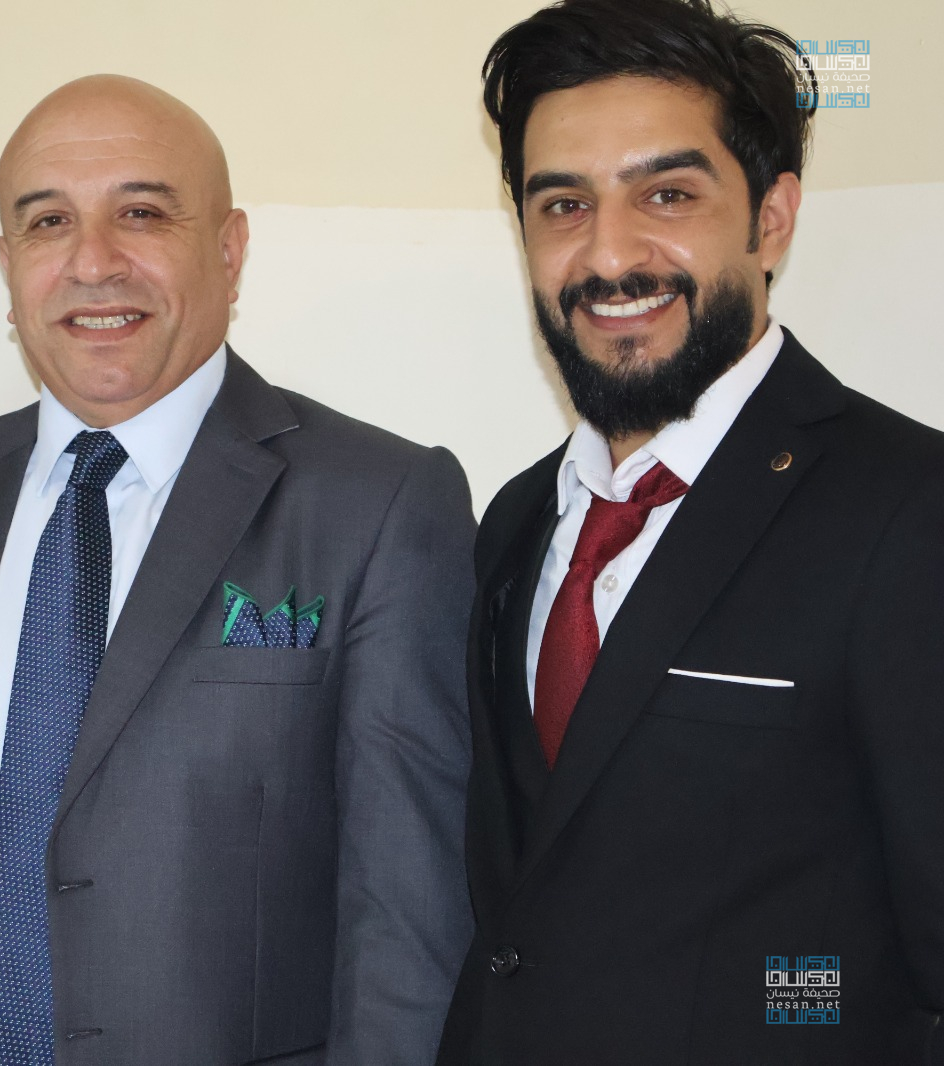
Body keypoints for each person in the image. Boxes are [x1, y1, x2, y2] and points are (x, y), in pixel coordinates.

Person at [0, 74, 475, 1066]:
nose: (92, 262)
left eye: (141, 213)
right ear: (8, 265)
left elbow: (407, 920)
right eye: (48, 222)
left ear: (229, 249)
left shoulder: (376, 505)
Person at [438, 1, 944, 1062]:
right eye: (562, 204)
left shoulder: (911, 509)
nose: (609, 253)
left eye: (667, 194)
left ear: (771, 218)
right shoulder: (516, 521)